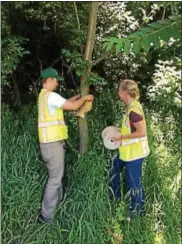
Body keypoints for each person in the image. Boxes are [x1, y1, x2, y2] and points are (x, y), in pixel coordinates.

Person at [37, 67, 94, 223]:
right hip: (52, 145)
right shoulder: (51, 96)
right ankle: (45, 216)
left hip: (48, 144)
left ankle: (57, 203)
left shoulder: (43, 96)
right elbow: (73, 107)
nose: (57, 84)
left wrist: (79, 97)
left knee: (56, 176)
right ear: (48, 80)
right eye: (55, 80)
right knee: (55, 179)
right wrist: (85, 98)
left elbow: (66, 103)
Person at [109, 79, 150, 218]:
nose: (118, 93)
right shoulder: (131, 106)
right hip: (126, 152)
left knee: (134, 183)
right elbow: (130, 128)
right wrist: (118, 130)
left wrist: (120, 137)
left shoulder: (134, 110)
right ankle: (115, 198)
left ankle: (137, 213)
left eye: (119, 90)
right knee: (113, 166)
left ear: (125, 92)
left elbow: (142, 132)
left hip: (135, 153)